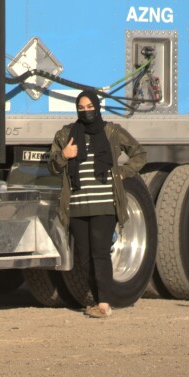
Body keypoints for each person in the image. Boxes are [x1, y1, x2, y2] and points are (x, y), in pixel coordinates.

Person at [47, 89, 147, 319]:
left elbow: (139, 154)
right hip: (78, 205)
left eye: (89, 107)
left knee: (100, 253)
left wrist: (121, 172)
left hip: (105, 204)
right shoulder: (66, 134)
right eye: (81, 108)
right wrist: (65, 154)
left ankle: (103, 304)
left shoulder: (111, 131)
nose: (86, 112)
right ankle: (97, 299)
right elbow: (53, 166)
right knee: (85, 256)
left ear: (97, 107)